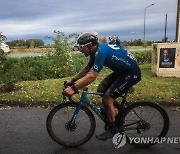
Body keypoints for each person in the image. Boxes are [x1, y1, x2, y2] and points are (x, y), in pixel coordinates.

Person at [64, 32, 141, 141]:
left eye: (82, 48)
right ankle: (119, 112)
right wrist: (72, 81)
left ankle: (113, 130)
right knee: (101, 89)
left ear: (90, 46)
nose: (81, 51)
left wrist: (73, 88)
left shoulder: (100, 52)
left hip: (131, 73)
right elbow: (87, 69)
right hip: (122, 72)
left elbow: (91, 77)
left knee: (108, 99)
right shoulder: (94, 52)